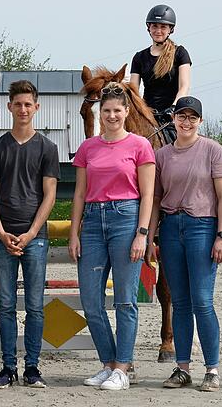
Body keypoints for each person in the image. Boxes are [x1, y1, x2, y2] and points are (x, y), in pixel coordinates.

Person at [68, 82, 155, 391]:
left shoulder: (139, 145)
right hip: (92, 221)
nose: (112, 115)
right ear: (99, 112)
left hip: (126, 218)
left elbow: (148, 195)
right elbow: (78, 194)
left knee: (125, 300)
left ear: (126, 111)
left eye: (117, 110)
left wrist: (142, 234)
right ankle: (107, 363)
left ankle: (123, 367)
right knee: (91, 300)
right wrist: (74, 233)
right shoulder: (88, 147)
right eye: (106, 111)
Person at [143, 96, 222, 392]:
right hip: (170, 227)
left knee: (203, 302)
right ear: (174, 119)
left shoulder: (212, 150)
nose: (186, 121)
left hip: (202, 227)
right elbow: (155, 199)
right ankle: (182, 367)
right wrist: (149, 236)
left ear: (200, 121)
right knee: (179, 303)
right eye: (182, 116)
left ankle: (212, 369)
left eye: (192, 117)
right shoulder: (163, 155)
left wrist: (221, 235)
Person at [0, 80, 59, 389]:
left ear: (36, 107)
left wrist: (30, 233)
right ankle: (7, 367)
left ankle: (32, 367)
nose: (23, 109)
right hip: (3, 236)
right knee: (5, 305)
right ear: (9, 106)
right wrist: (1, 232)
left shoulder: (47, 147)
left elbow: (50, 195)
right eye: (18, 104)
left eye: (29, 104)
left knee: (35, 306)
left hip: (35, 237)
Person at [129, 4, 192, 145]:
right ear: (149, 28)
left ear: (171, 29)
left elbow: (184, 86)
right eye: (155, 26)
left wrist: (173, 108)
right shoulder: (139, 57)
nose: (158, 31)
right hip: (146, 114)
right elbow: (133, 90)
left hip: (171, 114)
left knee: (183, 145)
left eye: (163, 27)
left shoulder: (180, 53)